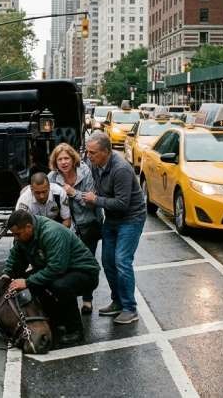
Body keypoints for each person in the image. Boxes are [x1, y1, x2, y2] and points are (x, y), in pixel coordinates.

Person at [1, 210, 100, 346]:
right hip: (61, 270)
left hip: (84, 272)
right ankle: (56, 322)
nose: (16, 238)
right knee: (33, 282)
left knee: (58, 285)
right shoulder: (23, 235)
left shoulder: (51, 233)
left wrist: (27, 282)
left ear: (29, 227)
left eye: (17, 234)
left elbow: (56, 268)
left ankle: (76, 331)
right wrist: (7, 274)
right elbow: (15, 256)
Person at [82, 132, 146, 325]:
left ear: (106, 152)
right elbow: (99, 189)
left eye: (93, 153)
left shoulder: (121, 169)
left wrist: (96, 200)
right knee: (108, 261)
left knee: (122, 260)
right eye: (88, 152)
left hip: (131, 218)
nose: (89, 156)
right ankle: (117, 301)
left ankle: (130, 308)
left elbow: (122, 203)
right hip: (112, 219)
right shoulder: (95, 165)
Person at [48, 143, 102, 314]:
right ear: (55, 162)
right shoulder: (52, 178)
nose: (64, 162)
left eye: (66, 158)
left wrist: (73, 193)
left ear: (73, 159)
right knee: (66, 264)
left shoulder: (85, 172)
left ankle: (87, 300)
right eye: (60, 159)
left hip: (87, 224)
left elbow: (91, 201)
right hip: (65, 227)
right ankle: (68, 299)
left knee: (87, 263)